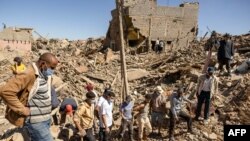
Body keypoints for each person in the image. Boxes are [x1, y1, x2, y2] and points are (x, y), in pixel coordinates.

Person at [0, 53, 59, 141]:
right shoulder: (29, 74)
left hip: (46, 119)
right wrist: (22, 109)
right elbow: (6, 91)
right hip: (36, 122)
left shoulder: (44, 74)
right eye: (52, 68)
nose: (53, 71)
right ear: (43, 64)